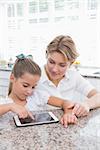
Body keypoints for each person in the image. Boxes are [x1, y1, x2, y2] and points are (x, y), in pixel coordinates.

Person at [27, 35, 100, 127]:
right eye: (51, 62)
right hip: (39, 127)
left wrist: (87, 104)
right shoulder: (34, 76)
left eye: (62, 65)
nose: (54, 69)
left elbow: (98, 96)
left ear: (71, 63)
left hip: (66, 125)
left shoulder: (74, 76)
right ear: (46, 55)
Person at [0, 54, 77, 125]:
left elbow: (65, 102)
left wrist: (68, 114)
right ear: (12, 78)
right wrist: (10, 106)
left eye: (33, 87)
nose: (30, 91)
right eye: (25, 86)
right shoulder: (4, 103)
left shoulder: (37, 96)